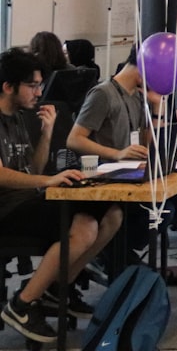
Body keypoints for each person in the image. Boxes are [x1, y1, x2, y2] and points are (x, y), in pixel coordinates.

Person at [0, 49, 122, 344]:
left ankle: (55, 288)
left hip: (25, 201)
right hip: (6, 210)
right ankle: (22, 304)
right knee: (84, 223)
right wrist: (50, 180)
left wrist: (47, 133)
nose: (39, 92)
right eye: (32, 85)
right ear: (8, 86)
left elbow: (33, 169)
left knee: (111, 215)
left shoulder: (17, 117)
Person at [67, 46, 150, 162]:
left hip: (132, 167)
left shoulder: (139, 94)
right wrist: (117, 154)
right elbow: (74, 140)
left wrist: (157, 107)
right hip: (107, 170)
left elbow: (148, 143)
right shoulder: (103, 93)